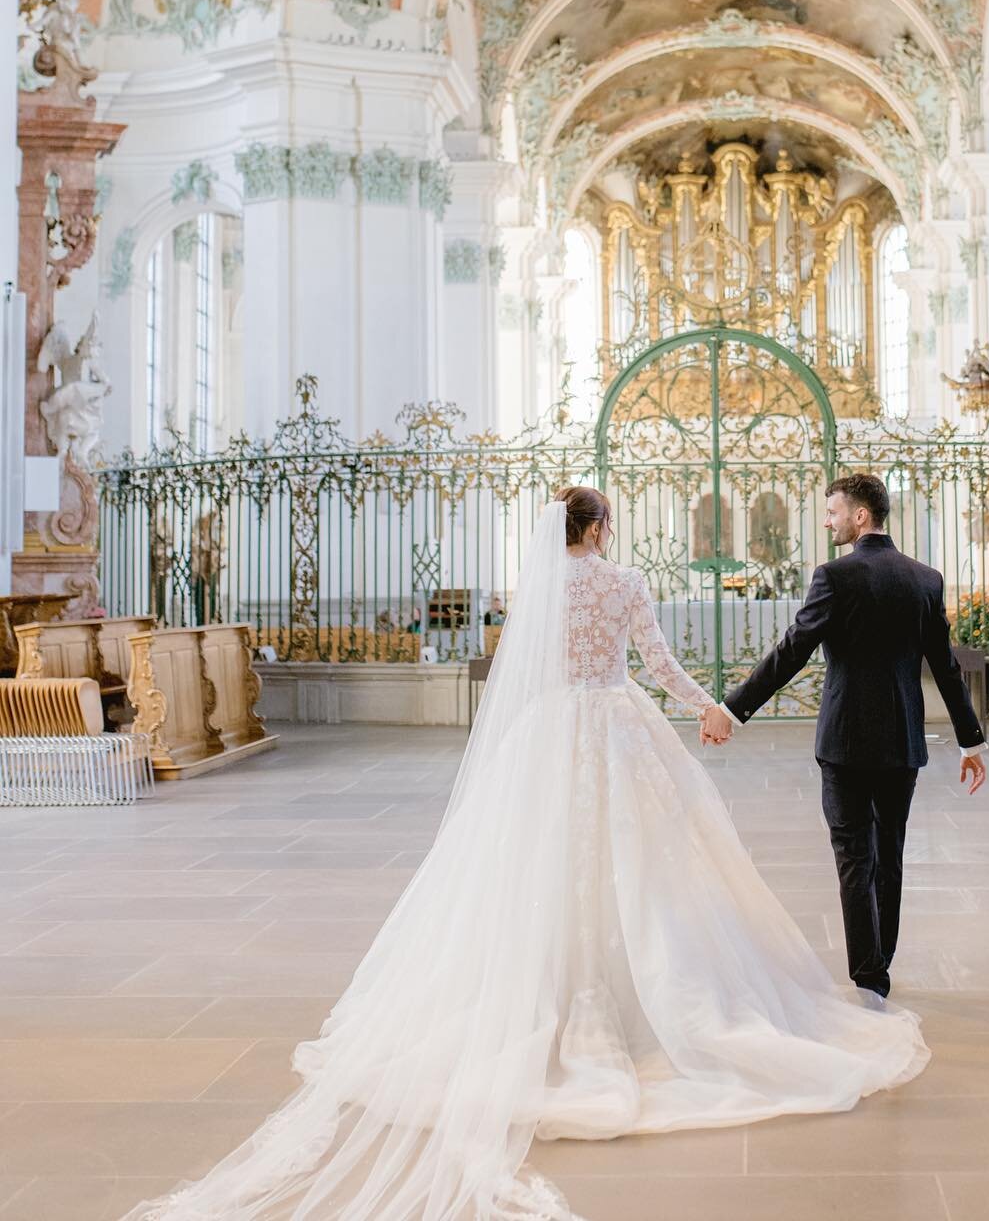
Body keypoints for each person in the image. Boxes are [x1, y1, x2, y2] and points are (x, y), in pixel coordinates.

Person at [124, 487, 927, 1221]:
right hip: (617, 728)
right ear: (603, 529)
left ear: (559, 532)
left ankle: (539, 986)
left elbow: (529, 672)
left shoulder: (539, 591)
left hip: (548, 735)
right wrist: (712, 711)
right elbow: (656, 666)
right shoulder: (624, 584)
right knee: (644, 870)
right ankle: (657, 998)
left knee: (538, 864)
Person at [711, 474, 988, 998]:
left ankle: (869, 976)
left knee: (853, 856)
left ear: (861, 516)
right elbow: (945, 667)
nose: (827, 520)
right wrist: (971, 741)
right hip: (902, 741)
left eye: (833, 511)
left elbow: (792, 651)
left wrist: (733, 707)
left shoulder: (834, 577)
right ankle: (879, 960)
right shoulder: (925, 579)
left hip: (843, 743)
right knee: (891, 852)